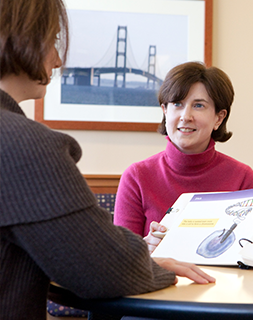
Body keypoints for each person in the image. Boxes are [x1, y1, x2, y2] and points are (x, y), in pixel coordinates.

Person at [0, 1, 214, 319]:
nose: (58, 59)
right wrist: (160, 267)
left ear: (219, 117)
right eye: (53, 40)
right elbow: (101, 269)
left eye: (199, 106)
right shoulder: (26, 147)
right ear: (23, 38)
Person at [114, 62, 253, 253]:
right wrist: (142, 250)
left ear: (219, 118)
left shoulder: (242, 177)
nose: (185, 116)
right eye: (177, 104)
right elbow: (120, 259)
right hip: (157, 281)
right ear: (165, 111)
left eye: (198, 105)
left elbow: (247, 252)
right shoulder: (136, 176)